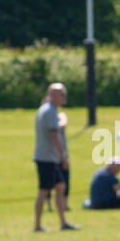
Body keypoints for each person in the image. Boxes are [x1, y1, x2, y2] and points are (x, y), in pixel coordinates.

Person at [33, 83, 79, 232]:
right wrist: (63, 156)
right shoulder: (50, 110)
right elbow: (54, 135)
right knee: (44, 190)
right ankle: (37, 225)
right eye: (59, 94)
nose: (62, 97)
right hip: (47, 157)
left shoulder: (47, 109)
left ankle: (63, 222)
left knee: (60, 186)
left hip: (50, 157)